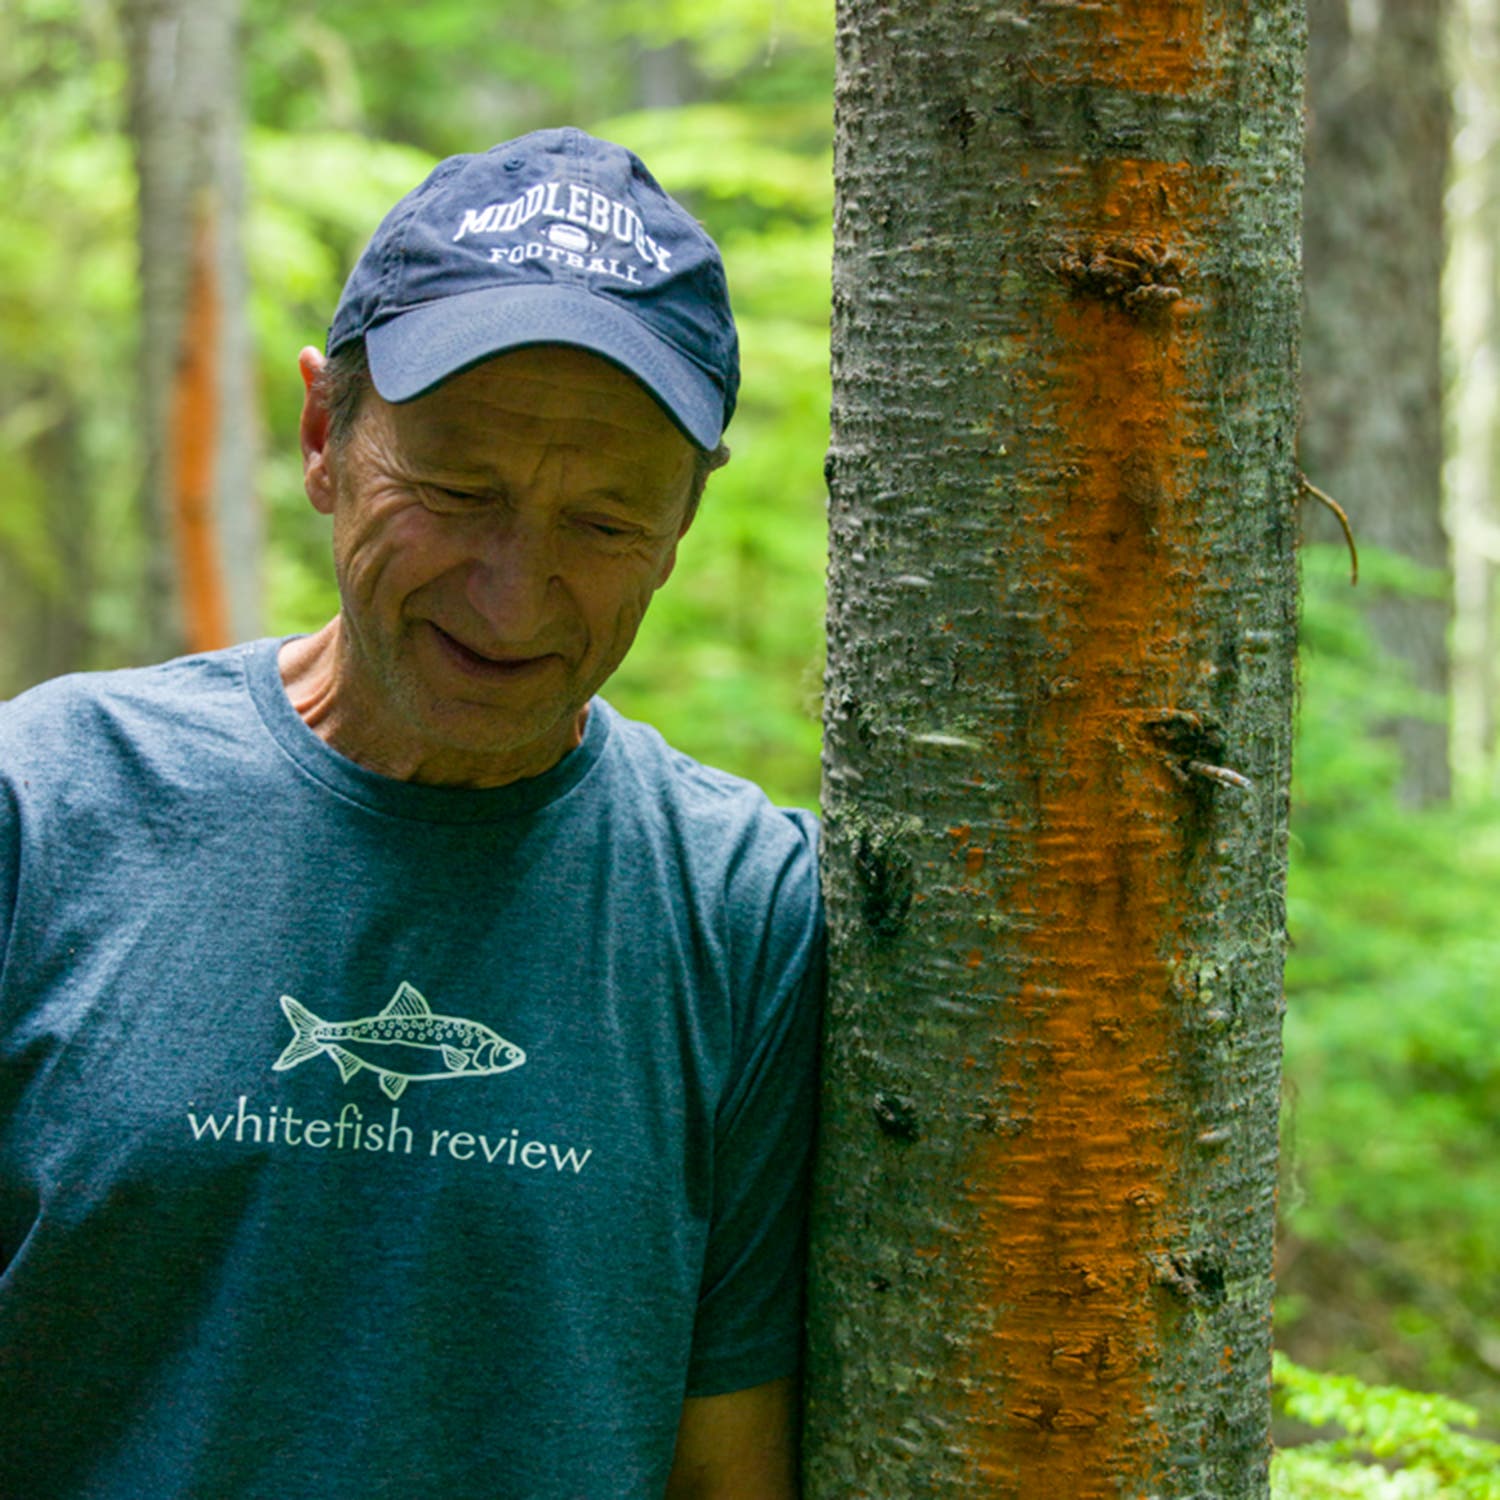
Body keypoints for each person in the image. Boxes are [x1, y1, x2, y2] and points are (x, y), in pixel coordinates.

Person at [0, 127, 823, 1499]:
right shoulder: (48, 807)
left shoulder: (742, 908)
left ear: (683, 523)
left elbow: (726, 1469)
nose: (515, 594)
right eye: (454, 492)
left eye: (606, 523)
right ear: (327, 434)